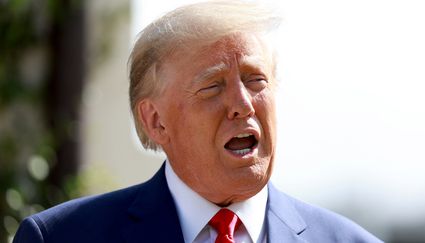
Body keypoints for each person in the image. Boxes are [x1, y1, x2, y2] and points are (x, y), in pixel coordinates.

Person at [13, 1, 382, 242]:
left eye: (256, 80)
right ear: (155, 120)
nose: (242, 104)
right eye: (212, 86)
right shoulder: (62, 237)